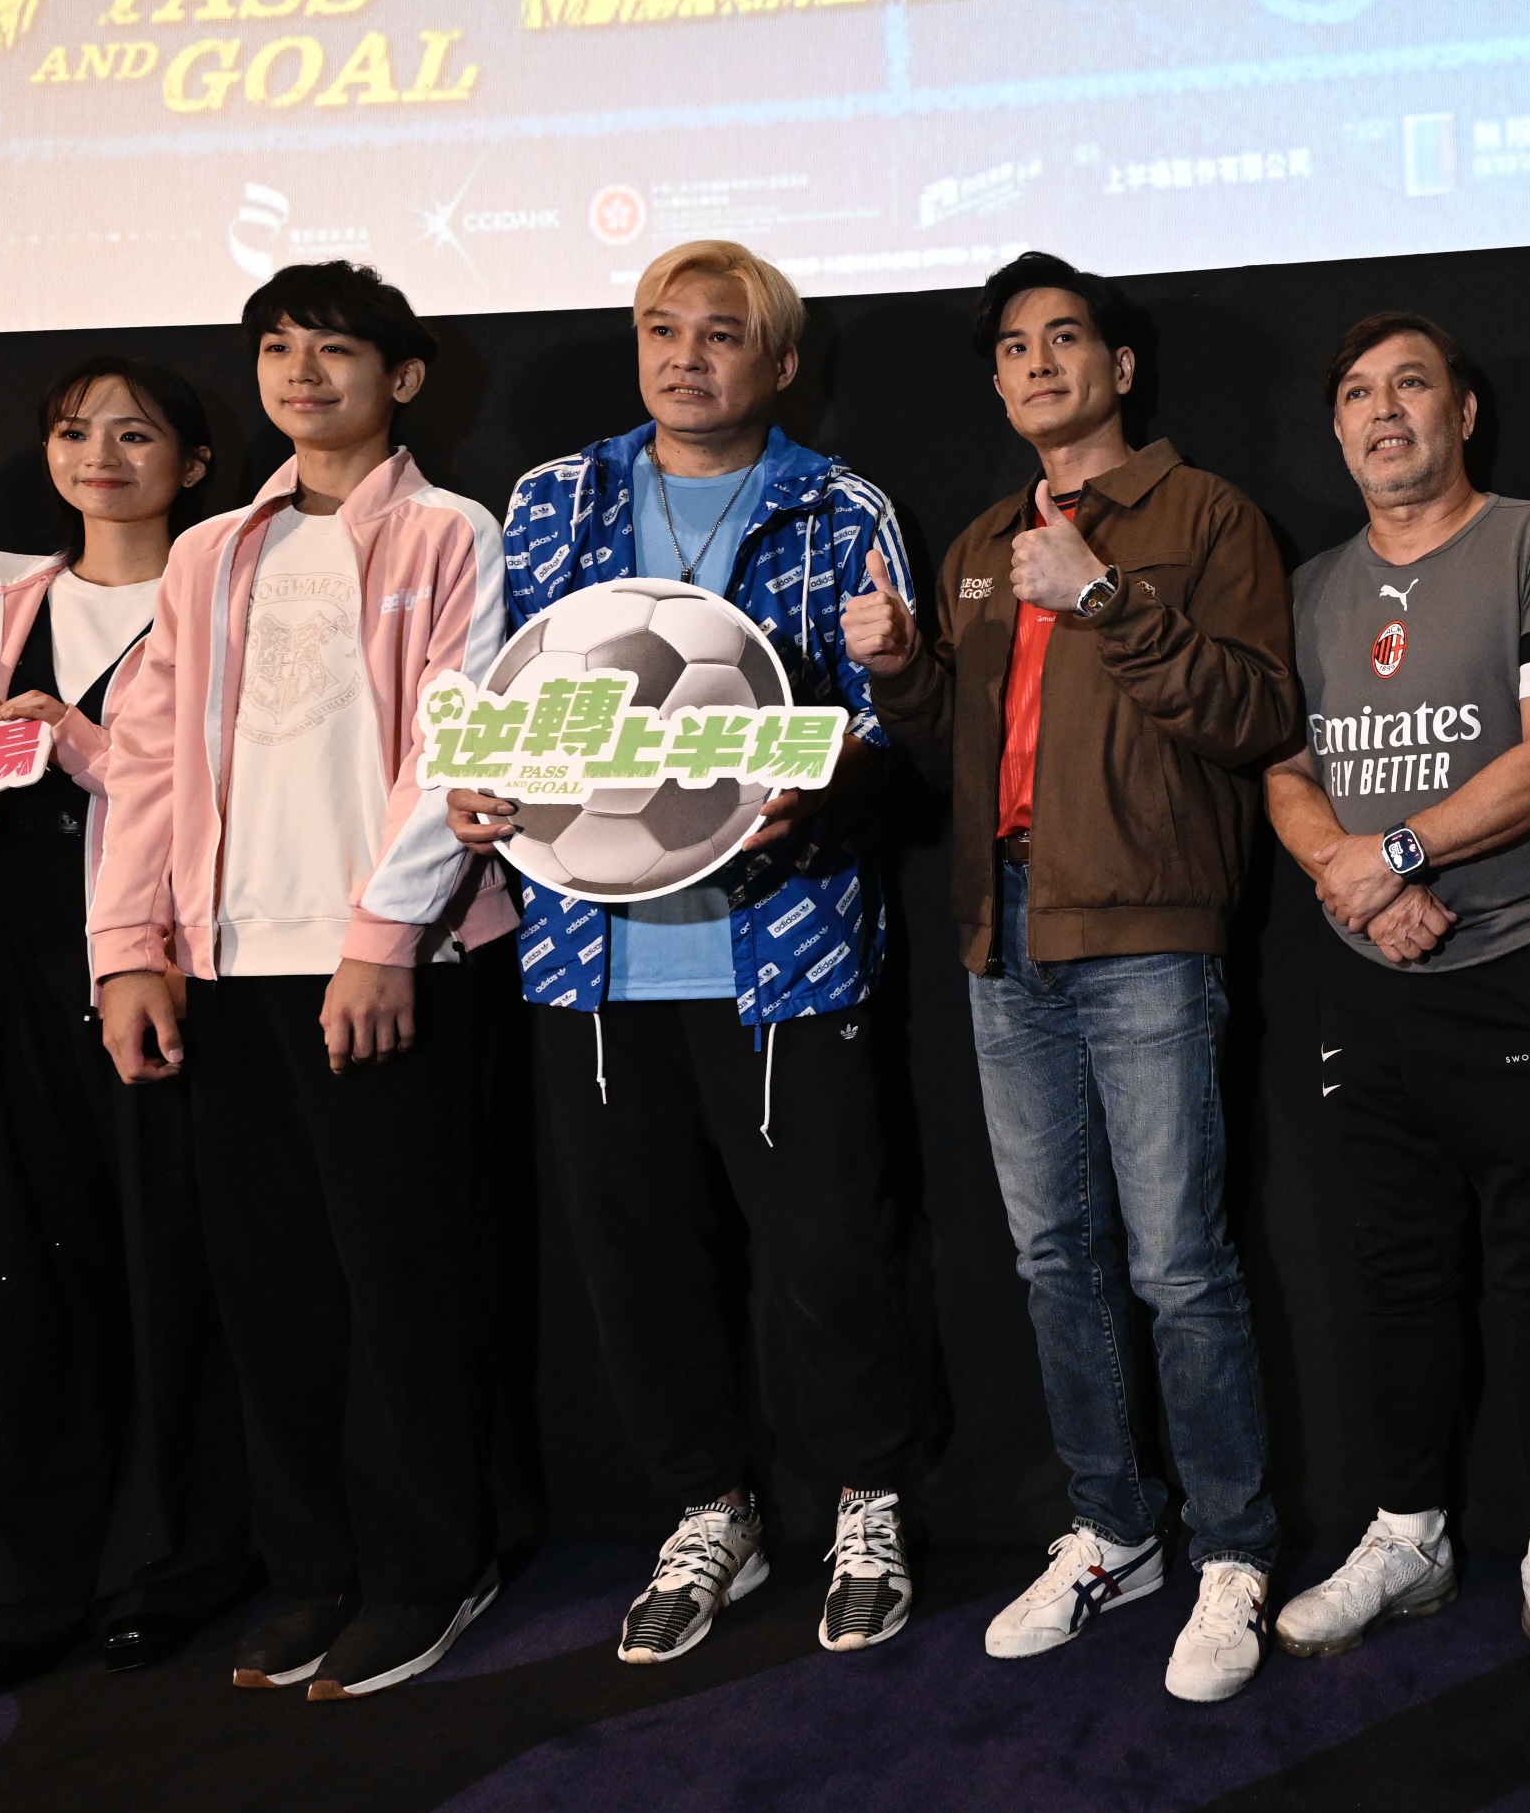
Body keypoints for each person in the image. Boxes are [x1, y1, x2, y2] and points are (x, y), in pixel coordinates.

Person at [448, 242, 925, 1664]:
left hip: (786, 945)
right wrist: (474, 782)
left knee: (829, 1252)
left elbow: (894, 718)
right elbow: (495, 694)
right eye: (663, 330)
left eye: (722, 335)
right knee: (636, 1258)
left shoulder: (838, 505)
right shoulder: (556, 499)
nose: (686, 357)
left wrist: (825, 773)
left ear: (780, 363)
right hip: (591, 955)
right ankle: (710, 1508)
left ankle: (867, 1499)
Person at [848, 253, 1299, 1705]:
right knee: (1056, 1260)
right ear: (996, 383)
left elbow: (1255, 712)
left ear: (1120, 366)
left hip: (1148, 926)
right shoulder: (984, 540)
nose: (1038, 364)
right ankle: (1115, 1526)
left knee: (1179, 1264)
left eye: (1064, 339)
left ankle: (1234, 1548)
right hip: (1006, 930)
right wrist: (903, 673)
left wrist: (1106, 596)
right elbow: (953, 757)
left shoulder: (1204, 514)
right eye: (1013, 348)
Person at [91, 262, 520, 1703]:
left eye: (334, 349)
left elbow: (460, 744)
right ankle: (317, 1569)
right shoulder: (212, 552)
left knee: (401, 1283)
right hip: (232, 965)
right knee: (272, 1287)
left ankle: (427, 1569)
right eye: (278, 349)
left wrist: (384, 937)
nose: (302, 373)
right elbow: (145, 761)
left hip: (391, 962)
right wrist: (131, 951)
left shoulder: (452, 532)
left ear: (402, 378)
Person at [1261, 314, 1530, 1713]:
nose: (1384, 411)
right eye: (1358, 393)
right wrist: (1353, 883)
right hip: (1366, 971)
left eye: (1411, 384)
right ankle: (1408, 1532)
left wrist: (1401, 854)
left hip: (1518, 958)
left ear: (1462, 412)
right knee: (1395, 1270)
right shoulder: (1312, 586)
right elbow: (1286, 771)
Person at [0, 357, 250, 1691]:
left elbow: (222, 783)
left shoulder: (223, 593)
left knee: (172, 1263)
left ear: (196, 463)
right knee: (12, 1276)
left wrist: (77, 741)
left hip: (167, 960)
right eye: (72, 432)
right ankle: (19, 1579)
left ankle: (175, 1564)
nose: (98, 455)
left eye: (134, 433)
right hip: (0, 959)